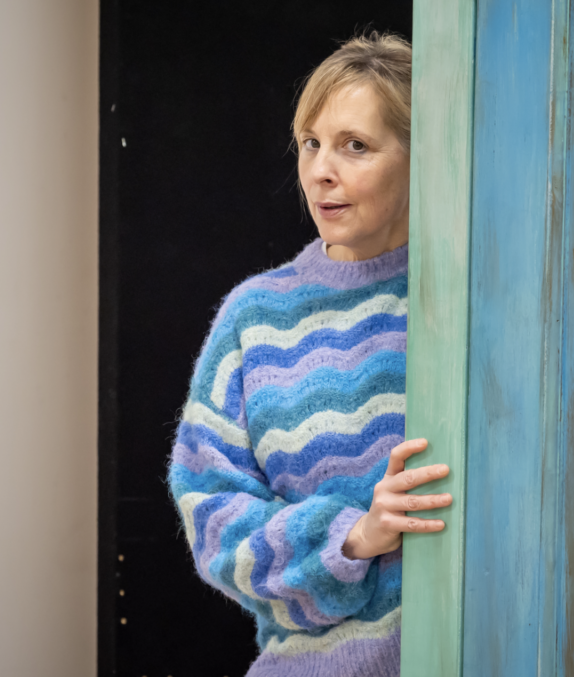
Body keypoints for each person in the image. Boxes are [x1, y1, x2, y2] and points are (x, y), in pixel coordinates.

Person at [167, 32, 451, 677]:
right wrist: (349, 537)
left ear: (423, 156)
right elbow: (212, 518)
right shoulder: (256, 318)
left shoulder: (476, 306)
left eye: (356, 146)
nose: (322, 169)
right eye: (311, 143)